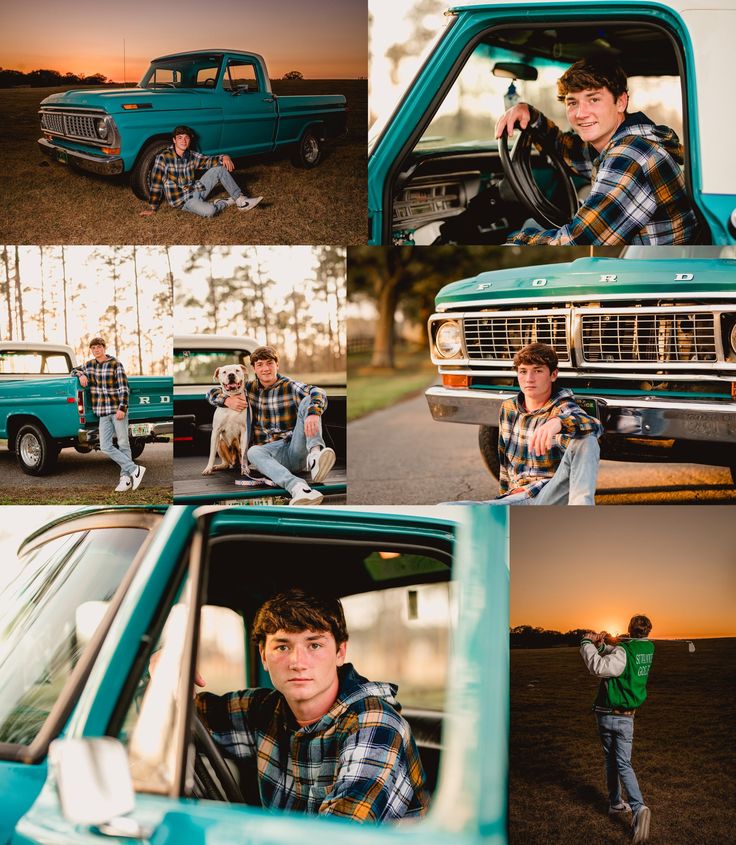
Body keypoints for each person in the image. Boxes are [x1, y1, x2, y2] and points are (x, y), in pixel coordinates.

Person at [195, 588, 429, 821]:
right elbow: (181, 715)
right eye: (282, 647)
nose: (297, 662)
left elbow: (337, 837)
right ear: (264, 656)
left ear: (340, 652)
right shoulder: (263, 708)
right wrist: (162, 671)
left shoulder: (374, 724)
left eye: (314, 645)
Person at [494, 55, 699, 245]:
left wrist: (512, 241)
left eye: (594, 99)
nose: (581, 114)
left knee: (527, 229)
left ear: (620, 102)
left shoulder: (631, 153)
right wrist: (529, 114)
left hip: (655, 273)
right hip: (644, 262)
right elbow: (564, 149)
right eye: (572, 102)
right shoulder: (617, 142)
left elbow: (579, 241)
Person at [207, 345, 336, 505]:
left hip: (295, 450)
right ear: (253, 368)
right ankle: (299, 488)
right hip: (269, 457)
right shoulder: (248, 388)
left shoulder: (289, 386)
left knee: (310, 400)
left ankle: (315, 458)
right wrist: (227, 400)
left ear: (277, 365)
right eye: (260, 364)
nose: (265, 368)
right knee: (253, 452)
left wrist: (313, 413)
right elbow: (211, 393)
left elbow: (318, 392)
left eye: (269, 363)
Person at [488, 342, 602, 505]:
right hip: (519, 497)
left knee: (586, 440)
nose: (529, 379)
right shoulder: (508, 408)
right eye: (523, 371)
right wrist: (505, 498)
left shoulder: (562, 406)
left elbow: (594, 426)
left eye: (538, 371)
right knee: (449, 509)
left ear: (553, 375)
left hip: (551, 495)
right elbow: (505, 464)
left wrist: (559, 422)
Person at [580, 616, 655, 844]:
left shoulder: (624, 651)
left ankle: (638, 807)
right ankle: (615, 803)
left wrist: (586, 643)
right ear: (647, 632)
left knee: (617, 762)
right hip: (627, 716)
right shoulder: (647, 648)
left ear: (629, 629)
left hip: (608, 714)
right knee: (617, 761)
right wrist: (603, 645)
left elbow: (600, 666)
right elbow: (618, 654)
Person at [139, 124, 263, 218]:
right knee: (210, 211)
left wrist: (223, 156)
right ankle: (222, 203)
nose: (183, 141)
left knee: (219, 169)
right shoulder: (163, 158)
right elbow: (156, 184)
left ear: (190, 141)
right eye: (180, 138)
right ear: (174, 140)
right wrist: (153, 208)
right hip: (184, 201)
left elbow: (208, 160)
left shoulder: (191, 155)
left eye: (186, 138)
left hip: (196, 189)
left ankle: (241, 200)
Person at [71, 337, 145, 491]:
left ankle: (125, 480)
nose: (96, 350)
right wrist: (81, 375)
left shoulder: (115, 364)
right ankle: (134, 469)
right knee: (105, 445)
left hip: (117, 410)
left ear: (104, 348)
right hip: (102, 412)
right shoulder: (89, 365)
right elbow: (73, 370)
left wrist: (122, 408)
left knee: (123, 443)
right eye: (93, 348)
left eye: (98, 347)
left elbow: (124, 388)